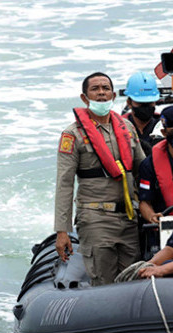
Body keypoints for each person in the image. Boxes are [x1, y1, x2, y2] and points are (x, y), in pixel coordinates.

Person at [54, 72, 146, 286]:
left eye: (106, 88)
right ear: (85, 98)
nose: (102, 93)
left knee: (132, 281)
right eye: (95, 89)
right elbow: (64, 183)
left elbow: (144, 168)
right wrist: (62, 231)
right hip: (96, 218)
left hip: (129, 218)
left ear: (113, 94)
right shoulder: (72, 135)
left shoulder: (127, 128)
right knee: (104, 283)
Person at [123, 72, 161, 155]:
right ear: (129, 103)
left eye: (149, 103)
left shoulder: (162, 125)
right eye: (140, 103)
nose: (146, 107)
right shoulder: (120, 126)